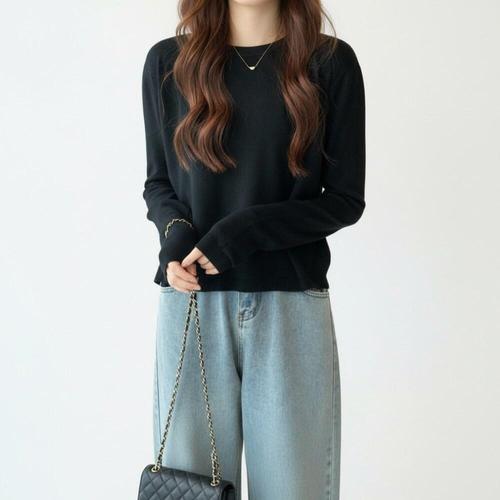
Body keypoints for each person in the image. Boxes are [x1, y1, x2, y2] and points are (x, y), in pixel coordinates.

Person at [141, 1, 365, 498]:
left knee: (293, 488)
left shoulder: (329, 64)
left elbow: (345, 200)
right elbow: (159, 184)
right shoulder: (168, 63)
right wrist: (174, 236)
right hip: (191, 303)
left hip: (290, 305)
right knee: (189, 486)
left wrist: (245, 231)